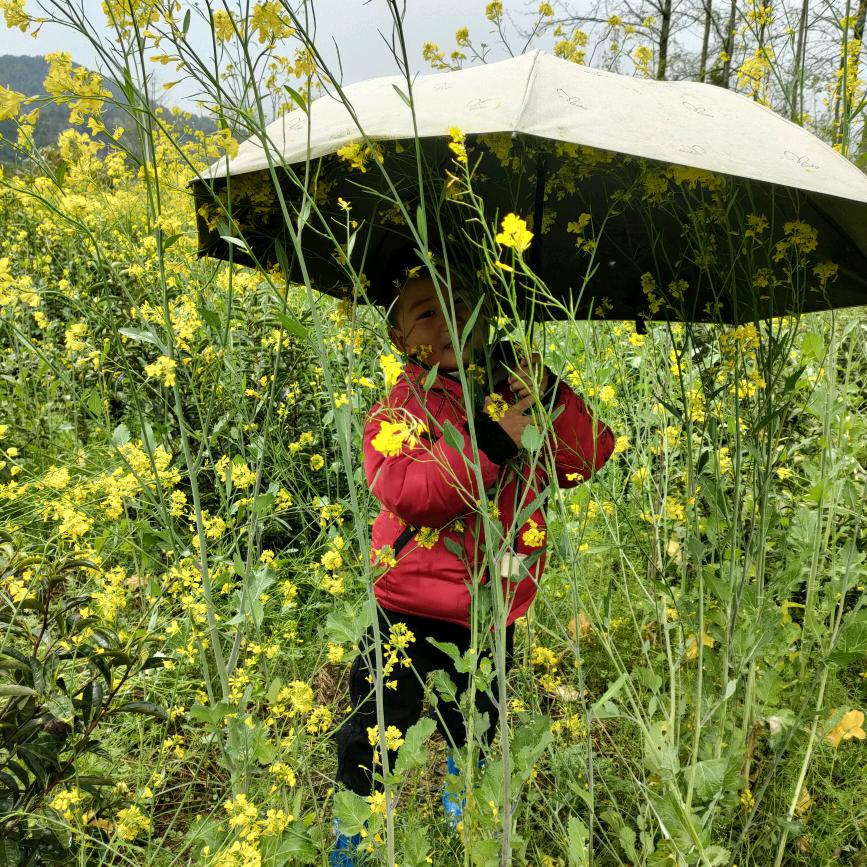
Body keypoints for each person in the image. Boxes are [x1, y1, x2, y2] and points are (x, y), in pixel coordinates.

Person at [331, 252, 614, 863]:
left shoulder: (514, 391)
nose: (449, 320)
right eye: (425, 313)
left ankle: (467, 812)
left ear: (485, 314)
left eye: (460, 304)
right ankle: (353, 832)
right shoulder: (399, 410)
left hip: (491, 604)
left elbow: (584, 458)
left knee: (478, 724)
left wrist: (550, 395)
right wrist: (491, 444)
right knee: (376, 727)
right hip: (408, 608)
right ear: (398, 338)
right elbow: (410, 492)